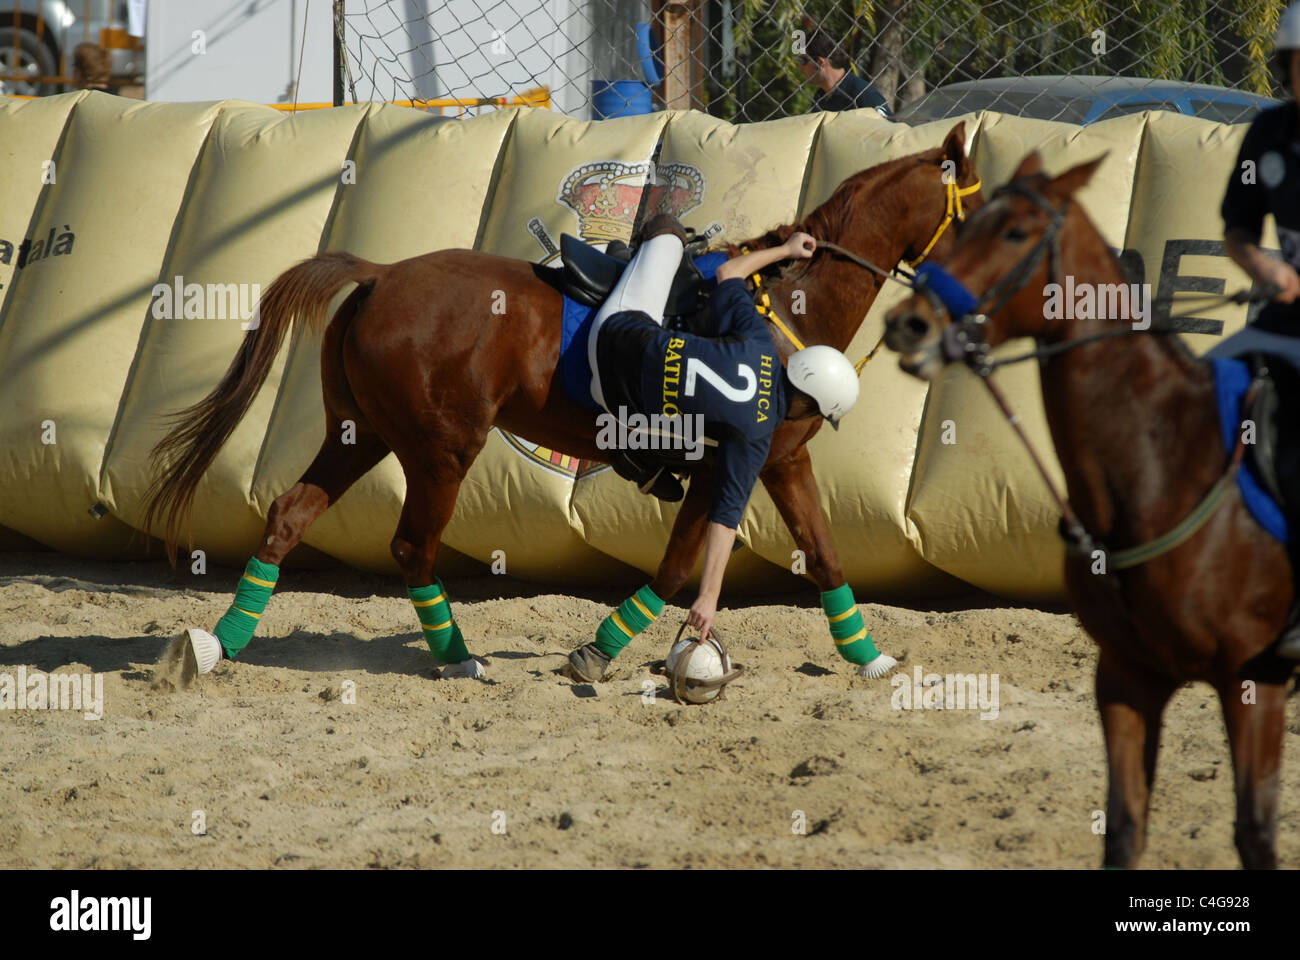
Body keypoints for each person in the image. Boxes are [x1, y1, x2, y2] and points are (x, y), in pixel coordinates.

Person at [566, 213, 893, 683]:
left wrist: (785, 250)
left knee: (669, 231)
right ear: (807, 405)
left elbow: (728, 273)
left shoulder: (759, 337)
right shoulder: (757, 436)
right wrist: (709, 596)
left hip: (616, 334)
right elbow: (723, 519)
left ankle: (656, 236)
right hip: (613, 394)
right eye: (817, 414)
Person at [1222, 0, 1300, 658]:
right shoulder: (1269, 134)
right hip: (1280, 318)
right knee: (1207, 386)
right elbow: (1238, 230)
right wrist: (1264, 266)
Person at [798, 23, 891, 118]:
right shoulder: (820, 97)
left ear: (820, 62)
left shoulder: (862, 94)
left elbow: (891, 129)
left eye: (804, 61)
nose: (800, 67)